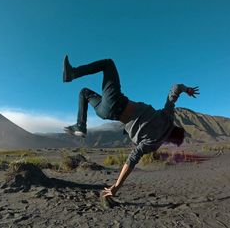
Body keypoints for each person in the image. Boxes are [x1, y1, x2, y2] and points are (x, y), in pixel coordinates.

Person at [62, 55, 199, 198]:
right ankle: (80, 126)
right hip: (107, 113)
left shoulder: (167, 116)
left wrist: (186, 89)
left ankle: (73, 76)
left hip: (116, 104)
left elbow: (175, 88)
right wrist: (116, 187)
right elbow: (131, 160)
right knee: (84, 93)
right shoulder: (153, 144)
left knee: (108, 64)